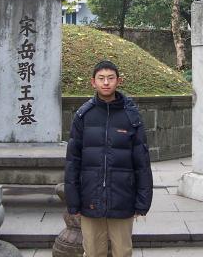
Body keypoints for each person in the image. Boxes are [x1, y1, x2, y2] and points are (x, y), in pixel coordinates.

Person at [64, 60, 153, 257]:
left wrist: (143, 201)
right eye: (101, 78)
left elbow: (142, 163)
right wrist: (73, 200)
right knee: (93, 252)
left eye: (110, 78)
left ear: (118, 81)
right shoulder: (83, 116)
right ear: (93, 82)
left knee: (123, 252)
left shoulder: (131, 116)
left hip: (123, 197)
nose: (106, 83)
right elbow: (73, 162)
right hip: (90, 197)